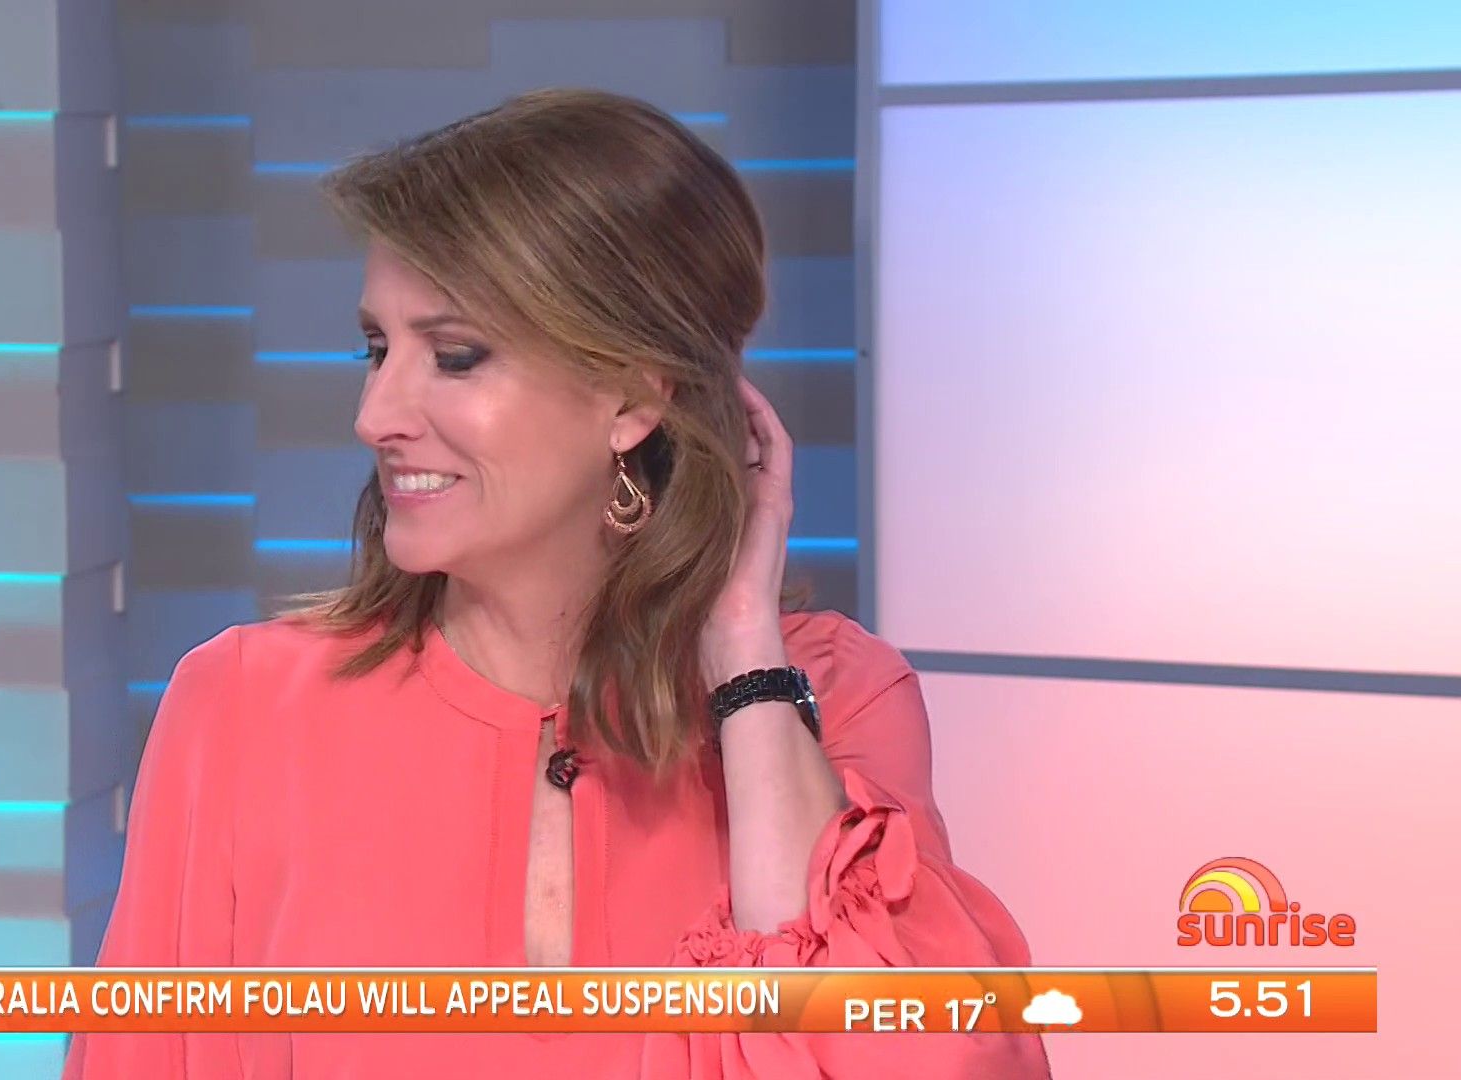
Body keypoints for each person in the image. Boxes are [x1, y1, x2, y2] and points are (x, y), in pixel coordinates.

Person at [64, 87, 1050, 1078]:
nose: (375, 414)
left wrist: (745, 655)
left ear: (630, 396)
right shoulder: (242, 709)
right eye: (377, 349)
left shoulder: (837, 700)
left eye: (454, 355)